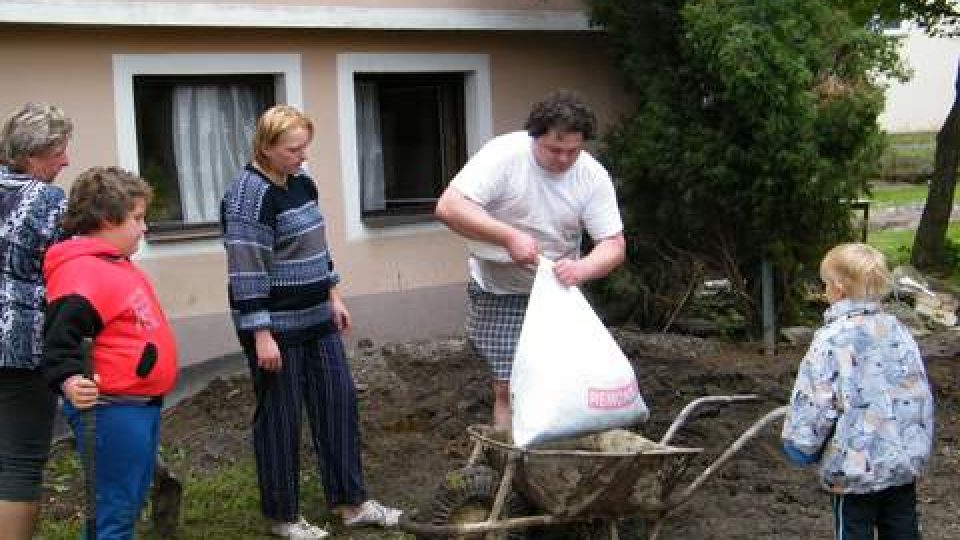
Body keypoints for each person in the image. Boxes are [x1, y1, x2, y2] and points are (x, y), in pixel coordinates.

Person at [221, 104, 401, 539]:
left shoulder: (302, 183)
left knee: (339, 406)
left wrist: (333, 293)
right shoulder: (249, 195)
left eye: (305, 147)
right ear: (266, 148)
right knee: (281, 420)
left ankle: (352, 504)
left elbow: (317, 247)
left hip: (317, 316)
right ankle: (283, 517)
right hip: (275, 328)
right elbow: (246, 269)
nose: (303, 156)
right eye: (293, 149)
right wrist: (261, 334)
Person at [435, 90, 626, 429]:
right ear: (534, 136)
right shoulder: (504, 156)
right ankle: (510, 459)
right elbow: (449, 207)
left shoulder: (591, 176)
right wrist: (508, 236)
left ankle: (558, 448)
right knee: (508, 386)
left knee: (560, 380)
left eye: (573, 151)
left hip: (557, 293)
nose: (564, 160)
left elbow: (613, 245)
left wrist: (583, 268)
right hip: (500, 290)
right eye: (555, 150)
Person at [41, 166, 178, 539]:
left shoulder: (112, 262)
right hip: (111, 410)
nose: (144, 227)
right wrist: (69, 380)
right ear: (105, 218)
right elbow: (57, 343)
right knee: (113, 513)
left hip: (137, 406)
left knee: (124, 505)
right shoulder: (81, 273)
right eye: (137, 218)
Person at [781, 242, 934, 540]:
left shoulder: (831, 338)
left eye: (825, 284)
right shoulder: (898, 330)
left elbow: (816, 399)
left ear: (837, 288)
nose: (824, 290)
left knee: (853, 529)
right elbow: (918, 392)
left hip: (855, 467)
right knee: (902, 527)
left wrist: (801, 444)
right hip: (902, 461)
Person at [0, 102, 71, 540]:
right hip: (18, 346)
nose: (66, 160)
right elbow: (64, 266)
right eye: (59, 151)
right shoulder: (46, 199)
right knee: (19, 461)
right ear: (33, 156)